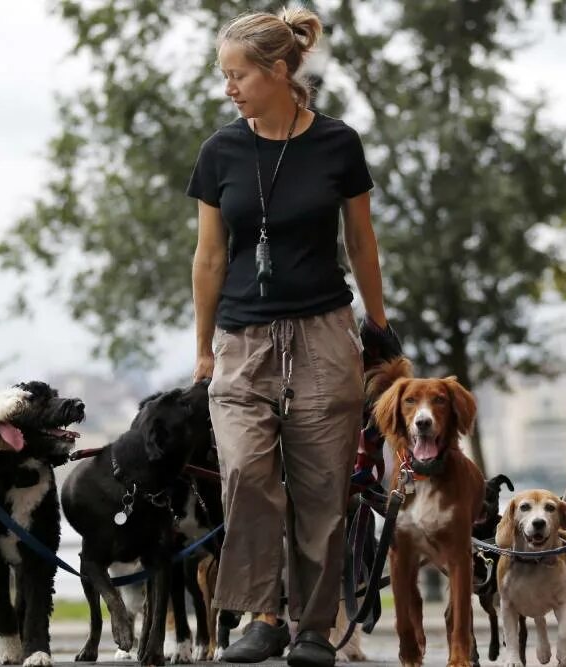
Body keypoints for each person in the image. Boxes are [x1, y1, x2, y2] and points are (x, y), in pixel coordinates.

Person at [187, 7, 396, 666]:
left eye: (238, 74)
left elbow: (361, 241)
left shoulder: (338, 144)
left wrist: (381, 329)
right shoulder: (220, 150)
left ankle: (312, 627)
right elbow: (209, 256)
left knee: (322, 486)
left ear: (279, 71)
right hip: (242, 340)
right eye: (225, 75)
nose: (229, 87)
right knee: (247, 470)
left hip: (325, 333)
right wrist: (201, 346)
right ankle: (262, 612)